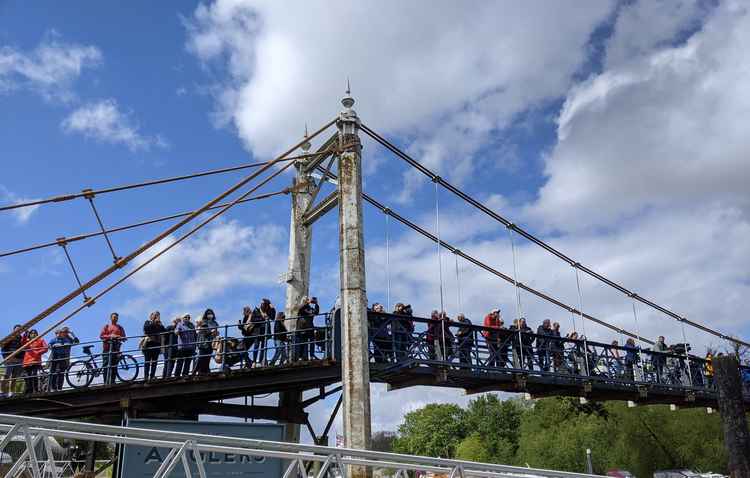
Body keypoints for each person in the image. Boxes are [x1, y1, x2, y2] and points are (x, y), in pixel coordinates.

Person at [48, 327, 79, 391]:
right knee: (53, 372)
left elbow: (77, 342)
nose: (59, 334)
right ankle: (53, 387)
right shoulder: (53, 340)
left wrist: (72, 334)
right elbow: (49, 346)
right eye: (58, 333)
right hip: (55, 356)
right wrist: (53, 346)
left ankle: (59, 387)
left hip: (63, 357)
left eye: (61, 333)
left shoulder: (67, 340)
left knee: (61, 372)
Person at [100, 312, 127, 385]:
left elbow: (124, 338)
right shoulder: (106, 326)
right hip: (107, 349)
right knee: (106, 366)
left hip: (116, 349)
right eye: (114, 317)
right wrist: (111, 336)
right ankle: (106, 382)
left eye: (116, 317)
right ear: (111, 318)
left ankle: (112, 381)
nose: (115, 318)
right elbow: (102, 336)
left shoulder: (120, 327)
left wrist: (119, 337)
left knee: (114, 366)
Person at [1, 324, 27, 398]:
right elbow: (3, 349)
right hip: (10, 360)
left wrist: (22, 359)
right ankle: (2, 392)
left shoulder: (22, 339)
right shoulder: (9, 338)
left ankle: (11, 392)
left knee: (14, 377)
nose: (18, 331)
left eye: (20, 329)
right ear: (14, 330)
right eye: (17, 329)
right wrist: (6, 358)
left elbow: (25, 348)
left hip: (19, 360)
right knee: (6, 376)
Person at [21, 329, 48, 395]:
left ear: (37, 334)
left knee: (34, 375)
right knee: (27, 376)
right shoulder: (27, 341)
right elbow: (22, 342)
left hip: (36, 361)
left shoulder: (40, 340)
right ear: (30, 334)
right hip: (27, 361)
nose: (33, 334)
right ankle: (29, 390)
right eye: (32, 333)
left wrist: (38, 352)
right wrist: (25, 334)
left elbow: (46, 348)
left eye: (35, 333)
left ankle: (35, 390)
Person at [142, 311, 165, 381]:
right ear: (151, 316)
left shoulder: (159, 324)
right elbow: (146, 329)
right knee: (147, 362)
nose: (156, 317)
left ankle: (152, 376)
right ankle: (146, 377)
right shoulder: (147, 322)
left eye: (157, 315)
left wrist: (160, 324)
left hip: (156, 344)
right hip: (148, 345)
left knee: (155, 362)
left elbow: (163, 331)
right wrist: (153, 322)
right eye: (155, 315)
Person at [296, 296, 319, 361]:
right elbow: (300, 309)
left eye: (308, 300)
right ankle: (300, 357)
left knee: (312, 341)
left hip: (310, 327)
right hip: (302, 328)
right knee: (302, 343)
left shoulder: (310, 308)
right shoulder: (302, 307)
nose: (308, 301)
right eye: (306, 300)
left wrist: (316, 304)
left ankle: (311, 355)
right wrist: (306, 302)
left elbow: (316, 312)